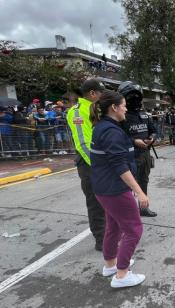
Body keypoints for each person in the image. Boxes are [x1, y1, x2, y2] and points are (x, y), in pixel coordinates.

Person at [89, 90, 147, 288]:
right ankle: (122, 275)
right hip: (114, 188)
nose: (126, 108)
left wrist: (132, 142)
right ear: (114, 108)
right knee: (134, 229)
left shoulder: (103, 126)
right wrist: (139, 191)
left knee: (113, 227)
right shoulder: (111, 130)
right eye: (123, 105)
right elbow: (119, 165)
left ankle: (110, 265)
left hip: (103, 186)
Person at [67, 79, 106, 251]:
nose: (102, 95)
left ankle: (109, 234)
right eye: (101, 92)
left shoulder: (96, 108)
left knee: (108, 200)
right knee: (96, 202)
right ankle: (101, 239)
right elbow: (83, 144)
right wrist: (99, 164)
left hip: (102, 161)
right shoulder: (77, 111)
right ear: (92, 93)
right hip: (90, 163)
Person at [118, 81, 157, 217]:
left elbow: (153, 130)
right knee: (127, 184)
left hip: (144, 154)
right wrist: (134, 141)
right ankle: (127, 212)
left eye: (136, 96)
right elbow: (119, 137)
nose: (134, 99)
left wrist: (152, 138)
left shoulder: (144, 115)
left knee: (143, 181)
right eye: (130, 97)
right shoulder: (121, 116)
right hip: (129, 157)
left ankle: (143, 208)